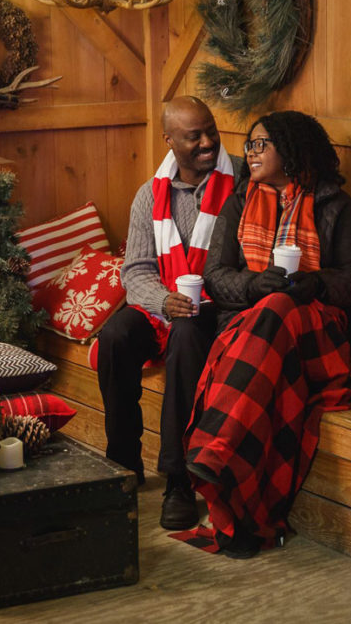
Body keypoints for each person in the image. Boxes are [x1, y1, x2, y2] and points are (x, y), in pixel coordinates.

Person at [186, 110, 351, 558]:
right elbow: (215, 276)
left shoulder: (336, 206)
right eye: (249, 145)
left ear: (290, 150)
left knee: (277, 309)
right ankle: (240, 518)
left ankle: (215, 449)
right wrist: (255, 285)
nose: (250, 153)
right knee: (270, 317)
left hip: (318, 335)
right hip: (255, 330)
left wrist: (316, 283)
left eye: (261, 144)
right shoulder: (240, 201)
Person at [95, 95, 237, 531]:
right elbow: (135, 271)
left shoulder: (241, 186)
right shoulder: (150, 195)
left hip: (219, 311)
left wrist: (195, 303)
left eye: (211, 131)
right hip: (166, 305)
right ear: (169, 140)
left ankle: (179, 479)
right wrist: (163, 302)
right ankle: (123, 463)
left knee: (186, 334)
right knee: (115, 336)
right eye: (194, 136)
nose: (207, 142)